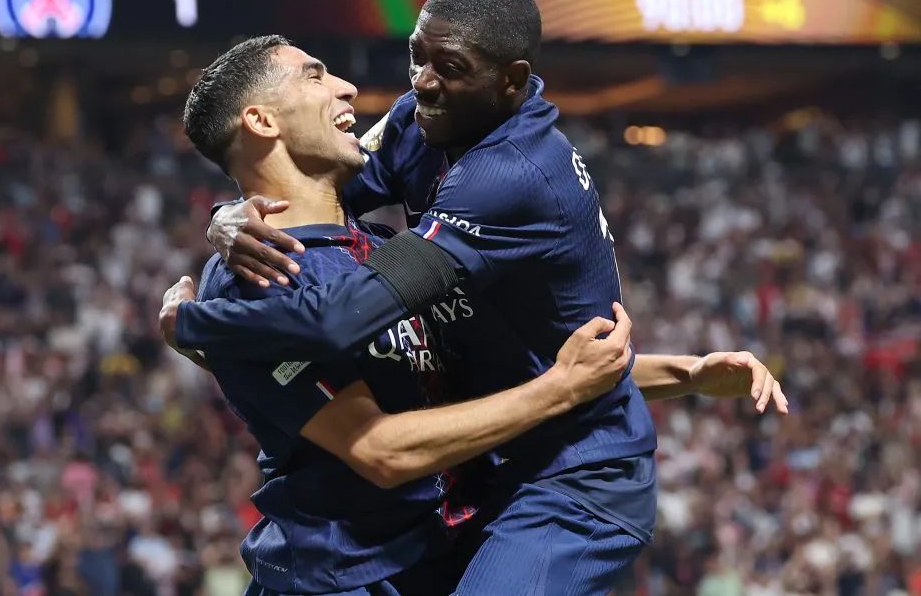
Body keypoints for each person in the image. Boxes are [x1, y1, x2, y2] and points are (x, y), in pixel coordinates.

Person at [162, 0, 787, 596]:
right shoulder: (401, 147)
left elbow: (345, 316)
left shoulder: (503, 179)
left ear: (510, 80)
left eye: (451, 67)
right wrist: (225, 217)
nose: (418, 83)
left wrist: (194, 327)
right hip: (361, 562)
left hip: (565, 482)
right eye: (417, 57)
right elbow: (311, 190)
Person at [176, 34, 641, 596]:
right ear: (261, 120)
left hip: (431, 560)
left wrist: (678, 374)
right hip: (340, 579)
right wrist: (561, 391)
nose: (347, 88)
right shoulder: (258, 281)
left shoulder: (377, 250)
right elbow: (382, 450)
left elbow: (494, 373)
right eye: (315, 75)